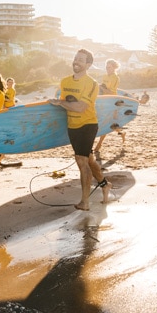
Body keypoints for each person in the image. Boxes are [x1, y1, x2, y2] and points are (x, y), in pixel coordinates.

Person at [48, 49, 111, 210]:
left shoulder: (91, 84)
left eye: (81, 60)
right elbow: (63, 101)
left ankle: (84, 202)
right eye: (75, 58)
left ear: (88, 64)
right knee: (89, 159)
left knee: (81, 161)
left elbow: (81, 107)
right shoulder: (65, 81)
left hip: (87, 124)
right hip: (72, 126)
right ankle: (104, 185)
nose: (76, 61)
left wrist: (60, 103)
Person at [94, 59, 125, 151]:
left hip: (112, 101)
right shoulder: (105, 76)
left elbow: (111, 92)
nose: (107, 69)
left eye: (109, 67)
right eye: (106, 67)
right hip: (103, 100)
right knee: (109, 123)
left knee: (107, 122)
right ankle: (122, 133)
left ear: (114, 68)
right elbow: (103, 87)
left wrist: (102, 88)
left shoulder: (115, 78)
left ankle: (99, 144)